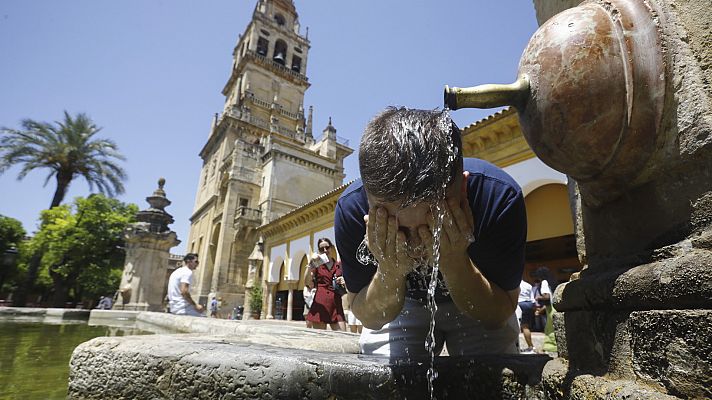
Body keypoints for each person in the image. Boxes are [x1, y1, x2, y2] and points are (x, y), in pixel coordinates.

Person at [335, 107, 527, 357]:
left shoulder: (498, 198)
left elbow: (498, 315)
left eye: (433, 223)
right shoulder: (352, 210)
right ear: (369, 202)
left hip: (479, 295)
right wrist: (390, 271)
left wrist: (454, 261)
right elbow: (370, 319)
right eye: (401, 228)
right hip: (403, 303)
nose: (416, 241)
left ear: (463, 189)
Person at [305, 238, 347, 330]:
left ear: (331, 248)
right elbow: (307, 282)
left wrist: (343, 281)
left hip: (336, 303)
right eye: (321, 249)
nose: (325, 250)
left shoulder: (338, 265)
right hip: (321, 302)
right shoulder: (317, 264)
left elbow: (346, 283)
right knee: (320, 338)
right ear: (319, 251)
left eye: (327, 247)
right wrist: (309, 266)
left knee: (343, 334)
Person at [533, 266, 558, 354]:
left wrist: (538, 297)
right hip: (554, 306)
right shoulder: (552, 281)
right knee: (552, 327)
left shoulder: (544, 282)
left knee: (549, 328)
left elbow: (546, 296)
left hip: (550, 308)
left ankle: (550, 347)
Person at [517, 279, 536, 354]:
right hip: (528, 304)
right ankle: (530, 345)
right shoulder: (528, 285)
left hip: (519, 304)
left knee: (519, 326)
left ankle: (517, 346)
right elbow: (532, 299)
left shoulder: (515, 284)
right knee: (526, 326)